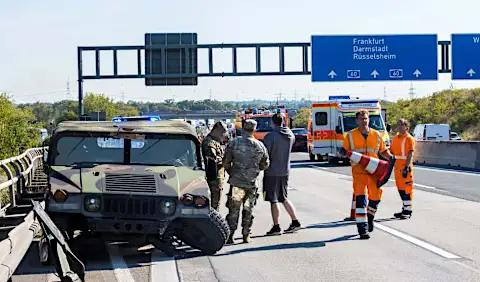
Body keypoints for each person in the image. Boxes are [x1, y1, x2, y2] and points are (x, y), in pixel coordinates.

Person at [339, 109, 393, 239]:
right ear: (357, 121)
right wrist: (342, 152)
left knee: (375, 199)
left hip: (374, 173)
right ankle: (362, 229)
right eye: (361, 119)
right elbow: (344, 150)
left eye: (366, 118)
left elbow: (383, 151)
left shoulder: (376, 135)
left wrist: (391, 158)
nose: (364, 121)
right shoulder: (350, 135)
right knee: (361, 201)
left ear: (369, 119)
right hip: (359, 173)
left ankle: (370, 217)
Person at [223, 119, 270, 244]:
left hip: (237, 184)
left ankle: (230, 235)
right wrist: (254, 171)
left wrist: (232, 173)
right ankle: (246, 235)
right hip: (251, 184)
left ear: (243, 128)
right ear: (254, 130)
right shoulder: (260, 146)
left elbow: (226, 163)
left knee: (234, 211)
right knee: (248, 210)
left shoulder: (234, 143)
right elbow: (265, 164)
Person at [263, 113, 301, 235]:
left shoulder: (270, 137)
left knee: (273, 200)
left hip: (271, 171)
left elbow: (264, 154)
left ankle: (276, 226)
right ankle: (295, 221)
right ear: (284, 121)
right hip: (285, 170)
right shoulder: (290, 135)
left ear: (272, 122)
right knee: (283, 197)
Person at [389, 118, 415, 219]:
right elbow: (391, 151)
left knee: (407, 189)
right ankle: (405, 209)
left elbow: (410, 153)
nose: (399, 126)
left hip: (405, 168)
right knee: (400, 189)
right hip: (397, 168)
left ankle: (408, 211)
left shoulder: (409, 138)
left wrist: (406, 167)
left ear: (406, 127)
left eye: (402, 124)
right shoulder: (396, 138)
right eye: (398, 124)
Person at [202, 121, 228, 211]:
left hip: (217, 177)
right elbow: (212, 160)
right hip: (214, 179)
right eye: (222, 133)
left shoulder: (214, 141)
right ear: (216, 130)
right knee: (213, 205)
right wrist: (226, 160)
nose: (223, 135)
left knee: (216, 203)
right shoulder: (209, 143)